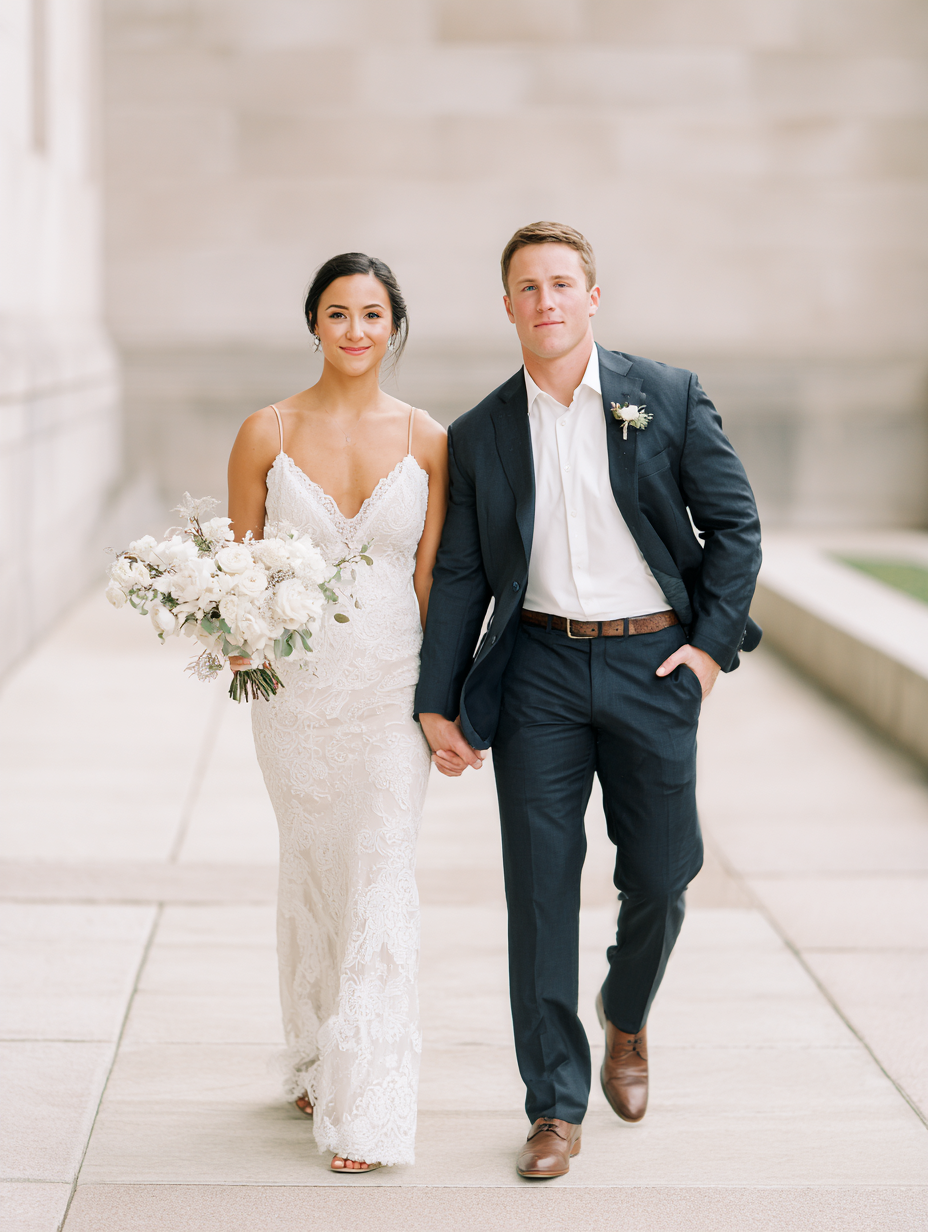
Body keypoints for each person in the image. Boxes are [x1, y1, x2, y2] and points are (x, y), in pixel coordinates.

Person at [415, 222, 762, 1179]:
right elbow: (461, 575)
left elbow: (735, 526)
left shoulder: (667, 396)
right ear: (507, 307)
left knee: (662, 875)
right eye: (528, 288)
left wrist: (708, 652)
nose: (547, 302)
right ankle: (553, 1106)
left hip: (655, 663)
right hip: (539, 671)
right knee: (538, 890)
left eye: (562, 284)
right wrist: (438, 700)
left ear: (592, 297)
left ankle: (627, 1010)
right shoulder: (480, 433)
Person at [227, 253, 448, 1173]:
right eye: (337, 313)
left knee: (382, 870)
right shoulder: (266, 431)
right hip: (298, 696)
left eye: (371, 314)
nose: (355, 331)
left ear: (394, 327)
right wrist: (237, 638)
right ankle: (319, 1053)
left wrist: (444, 702)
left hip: (392, 686)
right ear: (313, 323)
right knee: (316, 866)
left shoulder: (429, 438)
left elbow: (433, 579)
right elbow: (238, 567)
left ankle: (370, 1109)